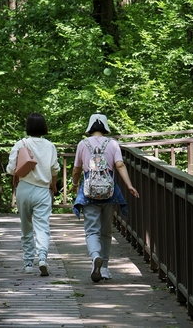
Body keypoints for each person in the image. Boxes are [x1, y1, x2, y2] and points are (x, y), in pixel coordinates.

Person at [70, 113, 139, 282]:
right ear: (105, 127)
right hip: (109, 193)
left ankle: (95, 258)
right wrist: (129, 185)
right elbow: (120, 165)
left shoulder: (82, 144)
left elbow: (76, 169)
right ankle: (106, 268)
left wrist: (74, 183)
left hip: (89, 193)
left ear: (90, 127)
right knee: (106, 231)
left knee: (92, 231)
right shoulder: (113, 144)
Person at [6, 113, 60, 276]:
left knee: (26, 226)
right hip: (43, 190)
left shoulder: (20, 144)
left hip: (24, 188)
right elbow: (55, 169)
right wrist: (53, 185)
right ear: (44, 127)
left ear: (28, 127)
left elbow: (10, 169)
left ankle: (28, 262)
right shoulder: (50, 146)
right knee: (42, 226)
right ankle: (42, 257)